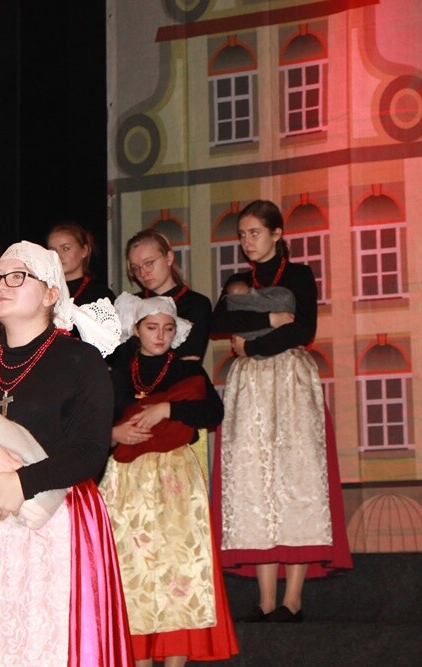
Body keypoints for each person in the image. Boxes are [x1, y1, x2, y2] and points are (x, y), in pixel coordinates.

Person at [0, 240, 135, 665]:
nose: (0, 285)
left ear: (51, 294)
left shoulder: (80, 360)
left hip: (55, 518)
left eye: (17, 276)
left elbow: (90, 452)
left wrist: (22, 481)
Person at [209, 199, 351, 624]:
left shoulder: (299, 275)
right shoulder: (238, 280)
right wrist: (271, 316)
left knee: (296, 478)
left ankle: (293, 599)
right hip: (250, 385)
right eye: (242, 234)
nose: (247, 241)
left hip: (289, 379)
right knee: (254, 483)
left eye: (254, 232)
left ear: (276, 234)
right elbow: (216, 323)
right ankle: (266, 599)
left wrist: (253, 343)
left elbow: (303, 330)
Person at [100, 293, 239, 667]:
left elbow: (213, 412)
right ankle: (138, 658)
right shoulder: (117, 371)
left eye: (167, 328)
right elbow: (94, 420)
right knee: (133, 566)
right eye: (152, 328)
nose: (160, 336)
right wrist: (115, 433)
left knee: (178, 567)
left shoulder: (187, 371)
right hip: (127, 479)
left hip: (175, 477)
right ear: (136, 330)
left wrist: (169, 408)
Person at [118, 228, 211, 364]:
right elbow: (120, 360)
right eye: (136, 268)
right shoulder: (130, 304)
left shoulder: (197, 304)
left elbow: (189, 360)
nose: (143, 273)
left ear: (169, 258)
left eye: (149, 263)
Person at [46, 220, 116, 306]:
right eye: (53, 250)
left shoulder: (101, 295)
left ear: (84, 251)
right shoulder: (45, 290)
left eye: (65, 248)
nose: (58, 255)